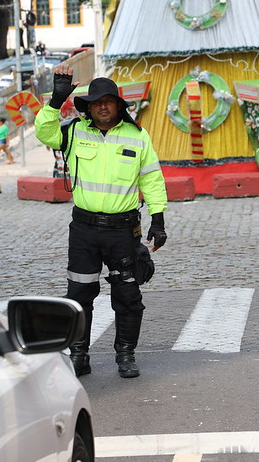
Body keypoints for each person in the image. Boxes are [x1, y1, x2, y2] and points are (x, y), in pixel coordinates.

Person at [35, 65, 168, 379]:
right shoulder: (73, 131)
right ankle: (79, 355)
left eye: (109, 100)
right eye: (97, 102)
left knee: (128, 296)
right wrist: (56, 100)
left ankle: (126, 354)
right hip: (84, 231)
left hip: (124, 230)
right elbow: (44, 132)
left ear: (119, 105)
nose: (103, 106)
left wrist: (158, 219)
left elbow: (151, 179)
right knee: (79, 295)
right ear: (89, 107)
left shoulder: (137, 136)